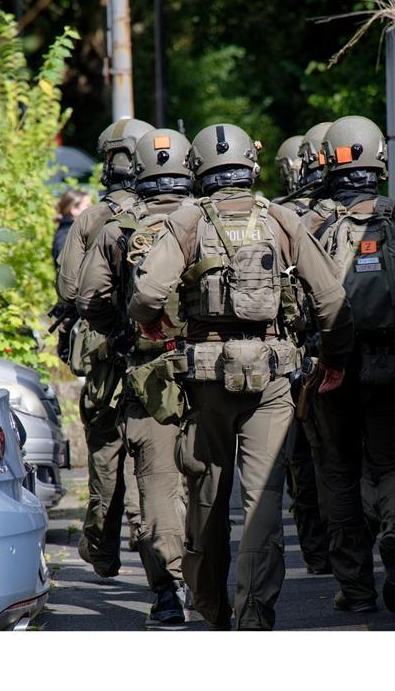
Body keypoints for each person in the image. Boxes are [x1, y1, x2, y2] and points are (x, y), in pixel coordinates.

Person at [127, 123, 354, 630]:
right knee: (263, 500)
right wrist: (335, 360)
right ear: (251, 166)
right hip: (273, 377)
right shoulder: (281, 219)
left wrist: (155, 324)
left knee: (207, 492)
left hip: (205, 378)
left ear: (198, 169)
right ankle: (254, 616)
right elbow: (332, 299)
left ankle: (211, 606)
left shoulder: (187, 221)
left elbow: (144, 295)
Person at [300, 115, 395, 614]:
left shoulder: (310, 225)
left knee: (338, 473)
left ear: (326, 162)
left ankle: (357, 590)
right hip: (394, 365)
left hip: (330, 369)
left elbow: (292, 300)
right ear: (378, 159)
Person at [76, 128, 194, 623]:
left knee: (159, 486)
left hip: (150, 374)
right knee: (224, 483)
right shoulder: (214, 218)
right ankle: (237, 593)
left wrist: (122, 333)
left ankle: (169, 592)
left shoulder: (114, 227)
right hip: (226, 371)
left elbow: (84, 299)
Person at [56, 117, 154, 576]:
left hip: (102, 355)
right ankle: (148, 530)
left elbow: (69, 290)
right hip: (157, 352)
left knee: (106, 448)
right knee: (157, 449)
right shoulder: (173, 214)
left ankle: (102, 546)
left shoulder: (92, 219)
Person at [273, 133, 331, 575]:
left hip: (296, 360)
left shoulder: (281, 218)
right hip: (342, 353)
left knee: (302, 460)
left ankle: (317, 553)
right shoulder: (383, 215)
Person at [52, 189, 90, 268]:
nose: (93, 208)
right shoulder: (66, 235)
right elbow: (67, 269)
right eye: (88, 206)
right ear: (74, 210)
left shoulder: (78, 231)